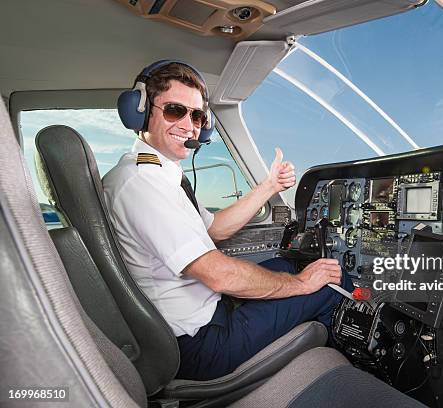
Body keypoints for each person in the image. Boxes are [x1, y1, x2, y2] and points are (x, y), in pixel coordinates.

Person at [103, 61, 353, 381]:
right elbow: (219, 277)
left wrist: (270, 187)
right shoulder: (142, 185)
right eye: (174, 110)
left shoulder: (153, 174)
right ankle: (342, 377)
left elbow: (214, 229)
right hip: (201, 345)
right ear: (139, 110)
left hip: (194, 320)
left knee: (285, 267)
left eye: (197, 116)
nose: (189, 125)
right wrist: (304, 285)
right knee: (330, 282)